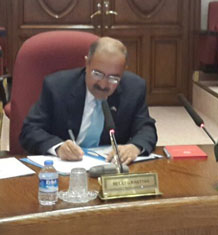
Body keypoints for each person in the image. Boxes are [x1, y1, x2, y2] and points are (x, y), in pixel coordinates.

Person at [19, 37, 157, 164]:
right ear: (87, 63)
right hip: (65, 171)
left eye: (113, 78)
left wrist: (135, 147)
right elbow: (30, 130)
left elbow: (146, 128)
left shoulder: (134, 88)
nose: (103, 85)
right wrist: (58, 147)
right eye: (97, 74)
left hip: (110, 170)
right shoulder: (57, 86)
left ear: (123, 71)